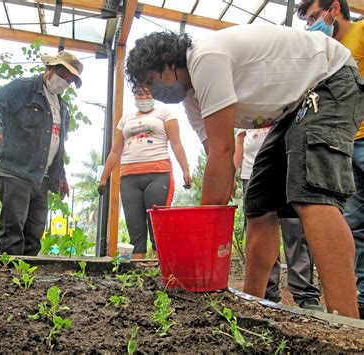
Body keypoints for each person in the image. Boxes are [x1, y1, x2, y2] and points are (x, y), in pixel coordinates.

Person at [125, 25, 363, 318]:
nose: (158, 93)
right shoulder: (192, 101)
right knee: (259, 203)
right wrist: (209, 222)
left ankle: (347, 324)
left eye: (153, 80)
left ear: (169, 62)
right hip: (292, 109)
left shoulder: (204, 57)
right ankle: (252, 306)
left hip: (329, 81)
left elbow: (224, 151)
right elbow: (217, 158)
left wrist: (202, 236)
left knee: (311, 193)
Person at [0, 51, 83, 256]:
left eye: (69, 81)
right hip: (16, 171)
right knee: (13, 233)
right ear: (50, 68)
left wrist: (60, 176)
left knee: (34, 234)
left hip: (41, 178)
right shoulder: (24, 89)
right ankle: (5, 280)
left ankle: (24, 283)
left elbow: (57, 145)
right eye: (63, 76)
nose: (64, 83)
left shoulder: (62, 108)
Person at [297, 0, 364, 319]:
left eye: (314, 17)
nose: (312, 25)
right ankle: (360, 297)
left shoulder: (362, 31)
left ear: (334, 8)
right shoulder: (326, 50)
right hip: (345, 144)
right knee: (354, 223)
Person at [98, 87, 191, 259]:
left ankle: (161, 272)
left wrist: (185, 170)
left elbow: (176, 144)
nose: (144, 97)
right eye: (140, 93)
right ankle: (139, 275)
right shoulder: (125, 119)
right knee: (135, 231)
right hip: (128, 178)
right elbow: (115, 152)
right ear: (134, 96)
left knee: (157, 227)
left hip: (158, 174)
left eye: (148, 93)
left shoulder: (165, 113)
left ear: (154, 94)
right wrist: (104, 177)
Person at [234, 128, 322, 310]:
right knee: (261, 231)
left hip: (290, 170)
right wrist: (231, 172)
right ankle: (268, 293)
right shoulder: (248, 113)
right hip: (252, 174)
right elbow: (239, 143)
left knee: (295, 231)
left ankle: (305, 295)